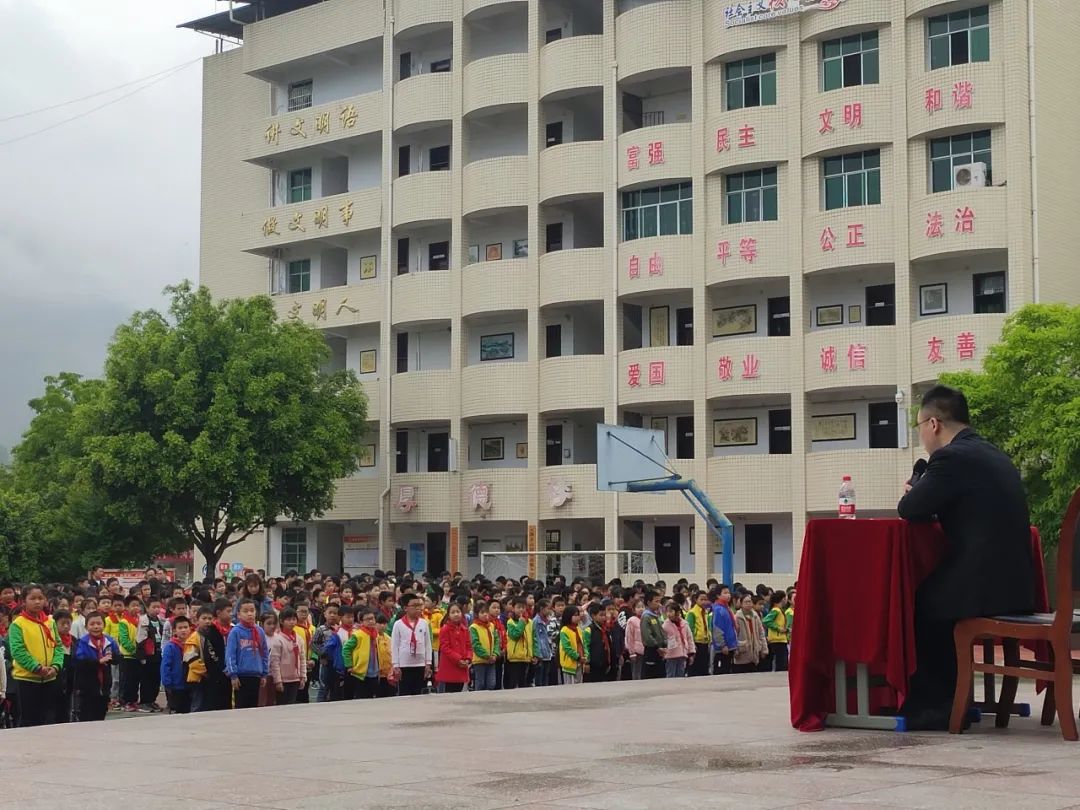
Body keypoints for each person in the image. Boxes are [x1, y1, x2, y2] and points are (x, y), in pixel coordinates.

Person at [897, 384, 1035, 729]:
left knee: (920, 602)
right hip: (1018, 585)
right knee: (936, 594)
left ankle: (937, 707)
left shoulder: (949, 458)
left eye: (919, 428)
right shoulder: (994, 454)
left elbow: (910, 508)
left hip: (983, 586)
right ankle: (957, 697)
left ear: (933, 425)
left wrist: (917, 488)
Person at [8, 584, 63, 726]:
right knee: (29, 719)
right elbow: (18, 651)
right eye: (32, 598)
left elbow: (58, 645)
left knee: (49, 716)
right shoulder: (18, 624)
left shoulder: (50, 621)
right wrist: (37, 668)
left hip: (50, 678)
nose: (37, 602)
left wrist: (56, 666)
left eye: (40, 598)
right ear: (23, 601)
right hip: (27, 679)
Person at [73, 612, 119, 722]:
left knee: (101, 713)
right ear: (86, 627)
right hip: (87, 685)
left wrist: (111, 658)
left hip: (104, 684)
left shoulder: (109, 641)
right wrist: (98, 661)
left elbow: (117, 658)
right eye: (92, 624)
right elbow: (79, 662)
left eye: (99, 623)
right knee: (87, 714)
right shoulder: (83, 642)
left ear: (104, 625)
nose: (96, 626)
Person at [225, 598, 269, 709]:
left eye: (252, 610)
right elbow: (230, 654)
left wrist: (264, 673)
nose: (249, 614)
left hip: (256, 675)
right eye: (245, 611)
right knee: (241, 707)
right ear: (239, 614)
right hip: (241, 676)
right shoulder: (235, 632)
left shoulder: (260, 631)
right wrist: (233, 674)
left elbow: (264, 653)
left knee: (253, 707)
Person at [390, 594, 432, 697]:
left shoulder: (424, 623)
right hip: (404, 665)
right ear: (405, 608)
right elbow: (394, 645)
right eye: (414, 606)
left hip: (420, 664)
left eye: (419, 605)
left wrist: (428, 663)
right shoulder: (398, 624)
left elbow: (428, 644)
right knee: (405, 693)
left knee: (419, 693)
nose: (418, 608)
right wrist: (396, 665)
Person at [270, 607, 306, 705]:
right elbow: (275, 662)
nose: (292, 622)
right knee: (281, 704)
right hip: (283, 679)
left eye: (294, 619)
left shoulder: (299, 639)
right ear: (281, 621)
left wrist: (303, 676)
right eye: (288, 620)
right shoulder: (278, 639)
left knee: (292, 704)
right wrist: (278, 680)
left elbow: (302, 659)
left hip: (295, 678)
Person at [342, 609, 381, 699]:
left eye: (372, 618)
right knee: (362, 697)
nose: (371, 621)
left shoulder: (376, 634)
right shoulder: (357, 635)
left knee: (373, 696)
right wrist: (349, 665)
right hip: (360, 672)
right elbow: (346, 649)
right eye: (367, 619)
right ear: (361, 622)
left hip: (374, 671)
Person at [117, 595, 144, 712]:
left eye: (137, 605)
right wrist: (134, 650)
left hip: (138, 656)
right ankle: (125, 701)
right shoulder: (124, 622)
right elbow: (123, 639)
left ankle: (133, 700)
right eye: (133, 605)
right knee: (127, 680)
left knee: (136, 680)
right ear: (127, 607)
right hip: (127, 656)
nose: (136, 608)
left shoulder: (141, 620)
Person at [160, 614, 192, 714]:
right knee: (176, 711)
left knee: (188, 710)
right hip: (175, 686)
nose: (183, 630)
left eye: (186, 627)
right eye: (180, 628)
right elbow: (165, 666)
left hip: (190, 684)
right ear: (174, 631)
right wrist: (167, 683)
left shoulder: (192, 644)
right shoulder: (170, 646)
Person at [504, 597, 535, 690]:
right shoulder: (511, 622)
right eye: (518, 607)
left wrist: (534, 654)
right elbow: (515, 635)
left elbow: (533, 638)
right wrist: (521, 623)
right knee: (513, 682)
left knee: (523, 682)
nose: (521, 609)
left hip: (526, 656)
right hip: (515, 657)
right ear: (513, 608)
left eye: (523, 607)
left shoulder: (530, 622)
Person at [733, 594, 768, 673]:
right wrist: (736, 650)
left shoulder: (755, 616)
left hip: (755, 652)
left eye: (750, 602)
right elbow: (734, 634)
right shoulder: (737, 617)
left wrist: (764, 649)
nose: (748, 604)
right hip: (742, 652)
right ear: (741, 604)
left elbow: (761, 633)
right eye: (746, 602)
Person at [469, 601, 499, 692]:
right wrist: (486, 655)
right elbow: (475, 644)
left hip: (491, 659)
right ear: (477, 614)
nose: (485, 614)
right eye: (482, 613)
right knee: (480, 683)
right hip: (480, 660)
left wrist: (495, 654)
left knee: (491, 683)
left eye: (486, 612)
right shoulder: (473, 627)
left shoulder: (492, 626)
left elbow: (497, 641)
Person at [661, 603, 693, 679]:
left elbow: (689, 638)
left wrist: (691, 652)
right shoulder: (665, 625)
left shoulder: (684, 624)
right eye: (667, 612)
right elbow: (663, 639)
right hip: (670, 654)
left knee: (680, 674)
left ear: (678, 612)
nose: (669, 614)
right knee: (671, 674)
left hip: (682, 654)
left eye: (671, 611)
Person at [711, 586, 738, 675]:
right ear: (718, 595)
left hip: (730, 645)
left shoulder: (727, 608)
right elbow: (717, 628)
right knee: (721, 671)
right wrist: (722, 645)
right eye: (725, 593)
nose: (728, 595)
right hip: (723, 648)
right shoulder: (719, 609)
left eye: (729, 593)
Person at [640, 590, 666, 680]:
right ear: (648, 602)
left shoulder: (656, 616)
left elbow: (662, 632)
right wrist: (657, 647)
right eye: (656, 601)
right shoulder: (646, 617)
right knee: (650, 677)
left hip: (660, 651)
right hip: (652, 650)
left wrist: (665, 644)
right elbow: (647, 636)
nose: (659, 604)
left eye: (659, 601)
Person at [686, 592, 713, 677]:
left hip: (705, 642)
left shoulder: (705, 612)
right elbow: (690, 629)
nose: (704, 602)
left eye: (705, 599)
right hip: (696, 643)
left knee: (704, 666)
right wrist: (692, 643)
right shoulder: (692, 613)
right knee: (695, 667)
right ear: (696, 600)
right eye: (701, 599)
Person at [762, 591, 789, 672]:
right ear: (783, 599)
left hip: (781, 639)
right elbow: (766, 620)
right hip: (777, 639)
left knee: (783, 662)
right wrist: (778, 628)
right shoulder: (776, 610)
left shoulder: (780, 610)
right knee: (780, 663)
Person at [558, 605, 585, 685]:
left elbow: (583, 644)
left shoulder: (579, 630)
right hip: (569, 664)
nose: (578, 617)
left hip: (580, 663)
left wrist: (585, 655)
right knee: (570, 685)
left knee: (579, 684)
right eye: (575, 615)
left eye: (578, 615)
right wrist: (577, 657)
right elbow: (567, 648)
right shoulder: (564, 630)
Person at [531, 599, 554, 687]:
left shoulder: (548, 620)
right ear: (541, 608)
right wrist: (537, 654)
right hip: (540, 654)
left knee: (545, 678)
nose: (549, 611)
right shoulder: (536, 621)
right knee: (539, 679)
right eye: (547, 608)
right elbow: (536, 638)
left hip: (548, 652)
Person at [623, 598, 645, 680]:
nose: (641, 609)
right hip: (636, 651)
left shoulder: (645, 619)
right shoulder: (631, 621)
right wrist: (632, 653)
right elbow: (629, 637)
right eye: (638, 607)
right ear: (634, 609)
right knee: (636, 673)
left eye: (642, 607)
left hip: (645, 650)